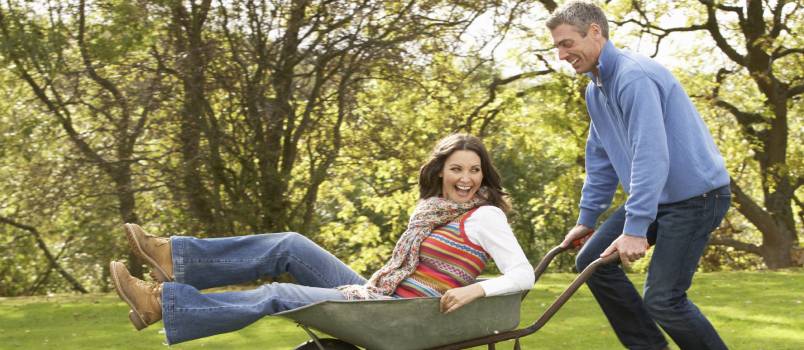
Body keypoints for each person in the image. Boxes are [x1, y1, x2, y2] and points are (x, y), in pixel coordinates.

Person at [109, 133, 535, 345]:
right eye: (457, 169)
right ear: (440, 171)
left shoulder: (484, 215)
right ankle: (175, 259)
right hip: (382, 297)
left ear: (484, 175)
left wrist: (476, 289)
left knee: (278, 293)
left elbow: (523, 274)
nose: (466, 178)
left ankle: (164, 303)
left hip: (404, 315)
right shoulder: (432, 210)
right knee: (290, 244)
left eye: (474, 170)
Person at [545, 2, 731, 350]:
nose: (561, 54)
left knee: (663, 299)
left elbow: (651, 154)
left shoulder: (633, 78)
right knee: (592, 262)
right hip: (660, 199)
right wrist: (587, 219)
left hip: (696, 199)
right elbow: (600, 158)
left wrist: (635, 228)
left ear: (595, 33)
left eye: (567, 43)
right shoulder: (595, 88)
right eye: (557, 46)